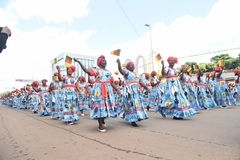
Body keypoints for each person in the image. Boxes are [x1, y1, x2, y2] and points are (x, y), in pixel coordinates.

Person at [74, 55, 121, 133]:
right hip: (99, 91)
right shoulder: (96, 70)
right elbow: (87, 71)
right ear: (99, 62)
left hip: (107, 91)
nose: (105, 62)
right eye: (103, 60)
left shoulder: (109, 72)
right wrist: (79, 62)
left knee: (106, 107)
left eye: (105, 61)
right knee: (100, 107)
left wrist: (117, 90)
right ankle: (100, 125)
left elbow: (111, 82)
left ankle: (102, 120)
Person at [116, 58, 150, 127]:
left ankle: (138, 116)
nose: (132, 66)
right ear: (128, 67)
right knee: (131, 104)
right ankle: (133, 120)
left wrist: (146, 88)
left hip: (136, 92)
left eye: (133, 65)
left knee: (137, 104)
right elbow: (121, 71)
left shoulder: (137, 74)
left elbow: (140, 82)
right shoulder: (127, 72)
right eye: (131, 65)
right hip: (129, 92)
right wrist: (119, 64)